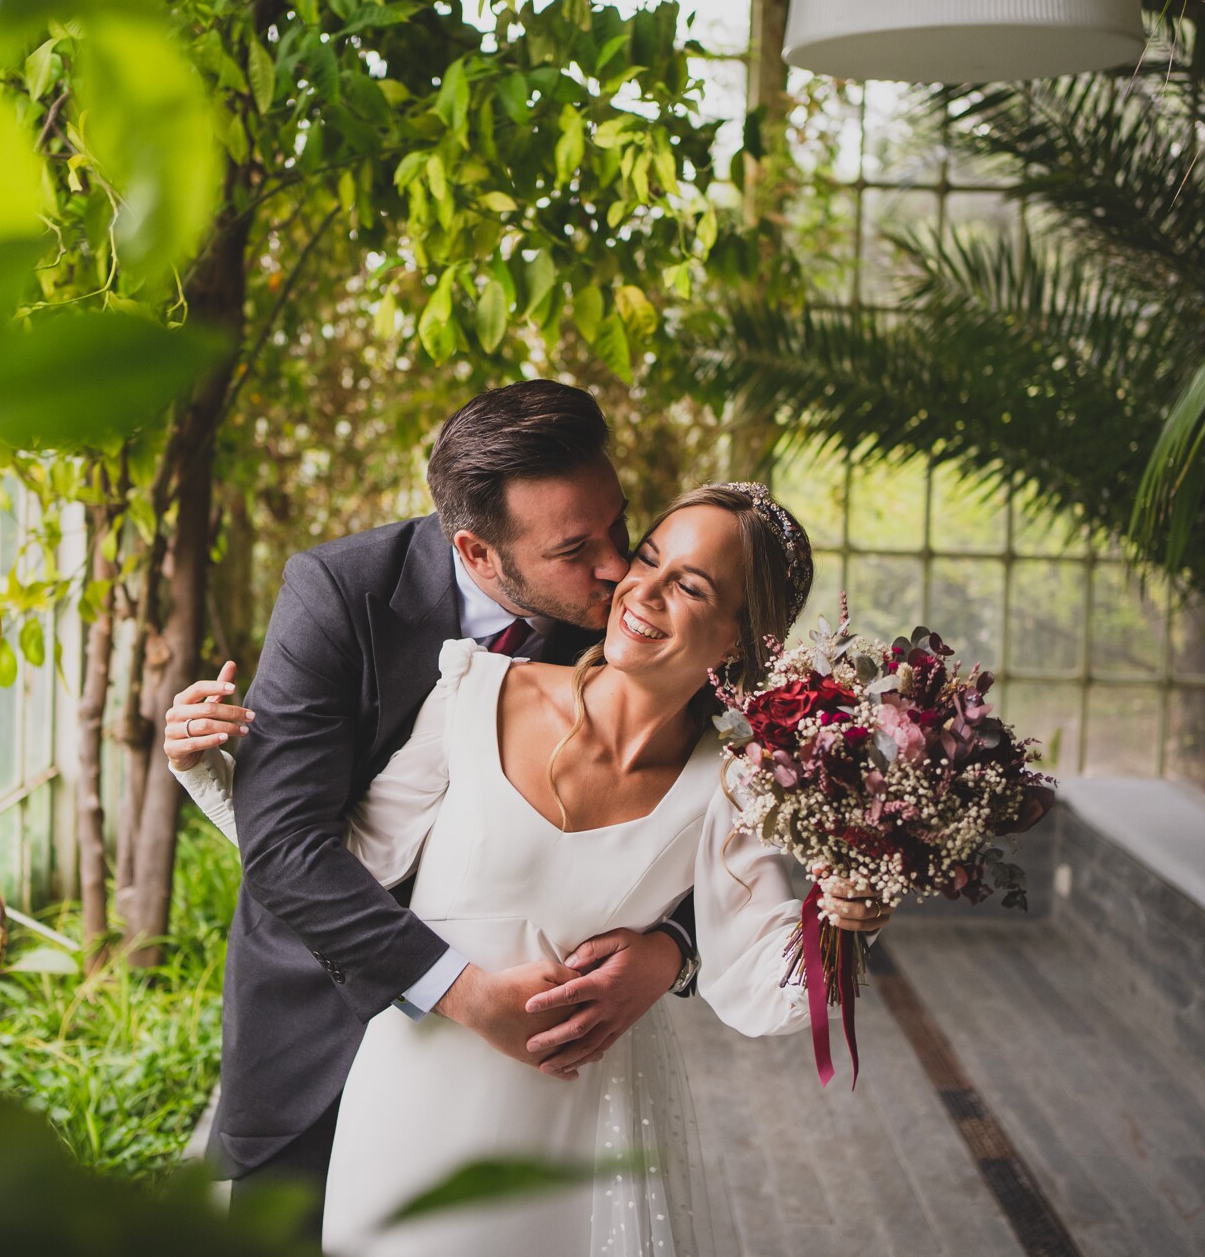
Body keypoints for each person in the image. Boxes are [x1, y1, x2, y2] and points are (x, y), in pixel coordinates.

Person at [172, 481, 891, 1255]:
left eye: (689, 585)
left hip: (577, 1117)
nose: (638, 586)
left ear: (741, 641)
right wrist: (218, 774)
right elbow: (349, 863)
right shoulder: (475, 688)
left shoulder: (733, 785)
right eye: (649, 556)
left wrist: (854, 913)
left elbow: (762, 980)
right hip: (408, 1100)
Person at [166, 382, 716, 1230]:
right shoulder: (335, 594)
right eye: (576, 548)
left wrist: (669, 951)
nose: (616, 568)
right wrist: (459, 991)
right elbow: (286, 850)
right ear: (478, 550)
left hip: (529, 1086)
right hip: (320, 1028)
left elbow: (707, 814)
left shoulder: (637, 626)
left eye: (621, 527)